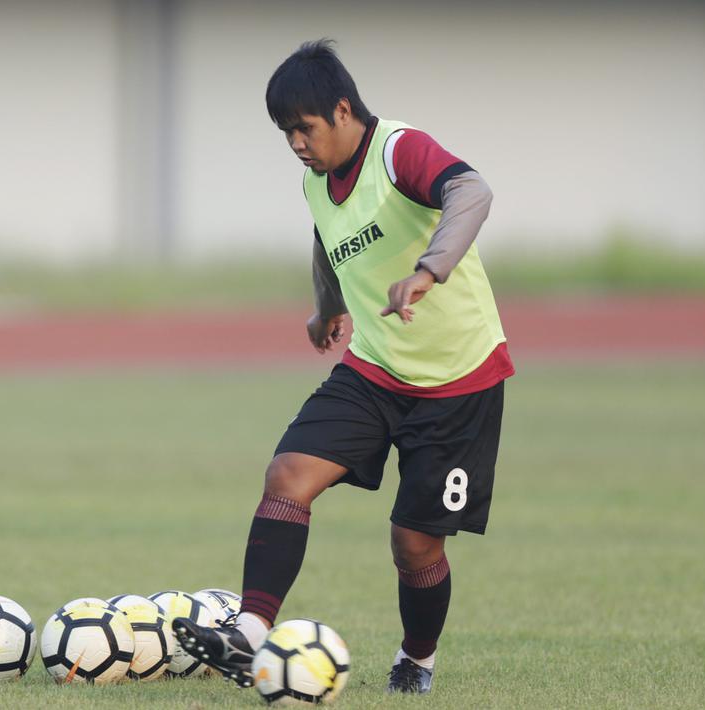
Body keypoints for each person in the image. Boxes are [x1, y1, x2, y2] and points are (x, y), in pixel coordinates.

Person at [172, 39, 514, 695]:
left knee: (414, 545)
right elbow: (329, 240)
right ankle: (247, 636)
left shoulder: (397, 150)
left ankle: (416, 660)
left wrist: (427, 269)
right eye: (285, 133)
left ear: (340, 109)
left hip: (458, 383)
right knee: (288, 475)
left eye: (303, 127)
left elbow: (472, 191)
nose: (296, 143)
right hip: (373, 371)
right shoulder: (314, 181)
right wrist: (325, 307)